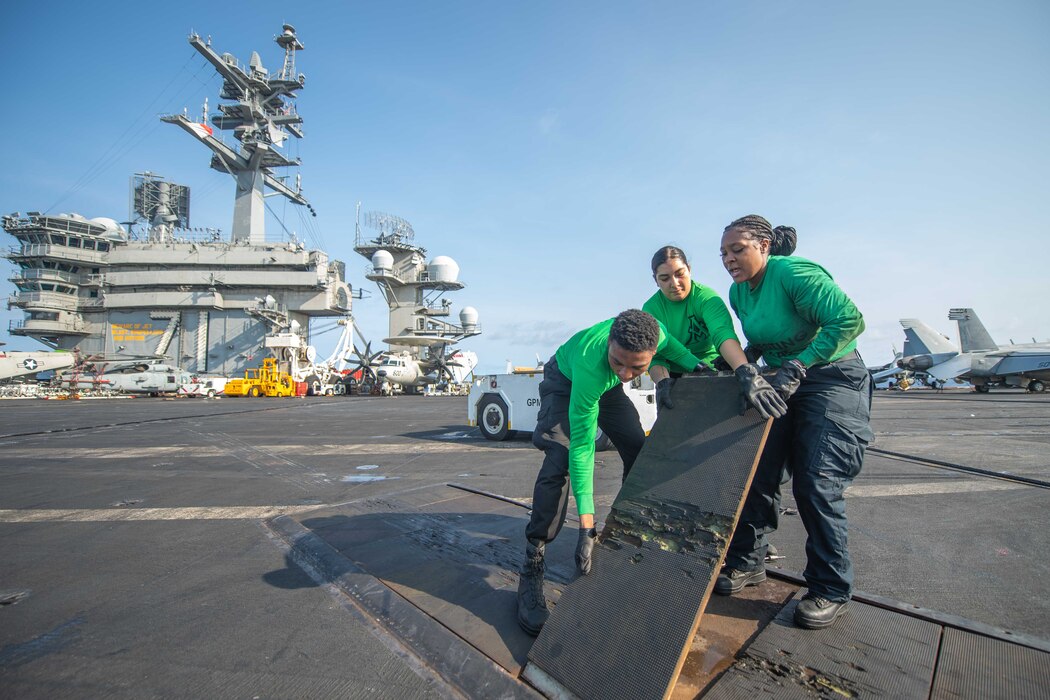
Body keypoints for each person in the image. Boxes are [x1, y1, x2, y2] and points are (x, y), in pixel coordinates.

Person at [714, 214, 873, 630]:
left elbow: (850, 320)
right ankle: (748, 563)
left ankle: (831, 588)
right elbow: (765, 338)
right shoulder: (738, 293)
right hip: (782, 382)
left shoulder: (793, 273)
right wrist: (738, 362)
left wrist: (800, 364)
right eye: (724, 253)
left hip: (832, 377)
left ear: (764, 246)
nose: (729, 259)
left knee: (816, 480)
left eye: (738, 249)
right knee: (757, 473)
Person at [516, 309, 705, 635]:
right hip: (567, 380)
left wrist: (704, 370)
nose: (626, 374)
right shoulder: (594, 363)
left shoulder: (653, 335)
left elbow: (677, 352)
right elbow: (583, 450)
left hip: (603, 387)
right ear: (609, 346)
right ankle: (533, 561)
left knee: (636, 444)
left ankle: (626, 524)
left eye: (637, 367)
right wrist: (585, 525)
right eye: (619, 361)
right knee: (559, 458)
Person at [643, 245, 785, 419]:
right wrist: (662, 382)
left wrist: (745, 372)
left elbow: (722, 334)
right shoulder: (651, 309)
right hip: (674, 379)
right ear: (655, 280)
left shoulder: (706, 298)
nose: (675, 284)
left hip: (712, 371)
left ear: (689, 269)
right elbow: (657, 355)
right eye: (664, 278)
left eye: (680, 274)